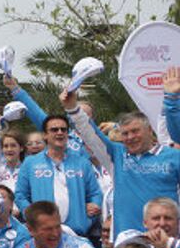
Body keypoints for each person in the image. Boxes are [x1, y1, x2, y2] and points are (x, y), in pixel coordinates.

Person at [62, 89, 180, 234]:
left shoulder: (173, 156)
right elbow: (91, 134)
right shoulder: (116, 155)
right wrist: (73, 108)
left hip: (166, 240)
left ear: (149, 130)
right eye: (125, 133)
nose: (130, 137)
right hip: (128, 244)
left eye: (135, 131)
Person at [15, 115, 102, 236]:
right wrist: (32, 216)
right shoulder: (30, 163)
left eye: (63, 129)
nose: (60, 132)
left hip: (77, 233)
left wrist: (92, 211)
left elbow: (95, 193)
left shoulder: (82, 162)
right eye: (54, 130)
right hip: (43, 231)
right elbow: (20, 195)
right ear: (45, 135)